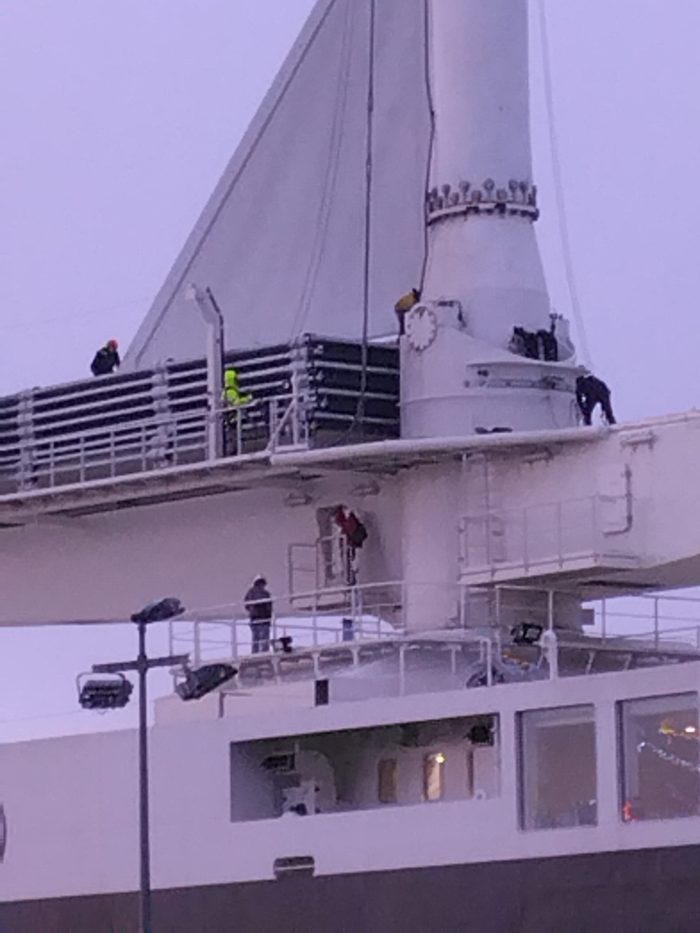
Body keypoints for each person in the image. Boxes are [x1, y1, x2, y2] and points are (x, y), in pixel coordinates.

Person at [333, 505, 368, 586]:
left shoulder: (350, 520)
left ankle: (351, 579)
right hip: (349, 545)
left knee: (349, 562)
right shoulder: (350, 519)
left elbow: (346, 526)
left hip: (349, 545)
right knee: (348, 562)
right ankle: (350, 579)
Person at [223, 367, 252, 453]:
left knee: (234, 436)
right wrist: (247, 399)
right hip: (231, 418)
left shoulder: (227, 391)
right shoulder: (231, 391)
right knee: (234, 436)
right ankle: (234, 452)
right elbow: (236, 403)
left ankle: (234, 451)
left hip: (230, 418)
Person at [244, 576, 272, 654]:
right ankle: (264, 653)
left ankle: (254, 653)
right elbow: (269, 607)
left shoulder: (250, 593)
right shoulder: (266, 593)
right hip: (263, 619)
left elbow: (246, 605)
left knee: (255, 639)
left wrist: (252, 610)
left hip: (254, 619)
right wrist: (269, 619)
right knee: (264, 639)